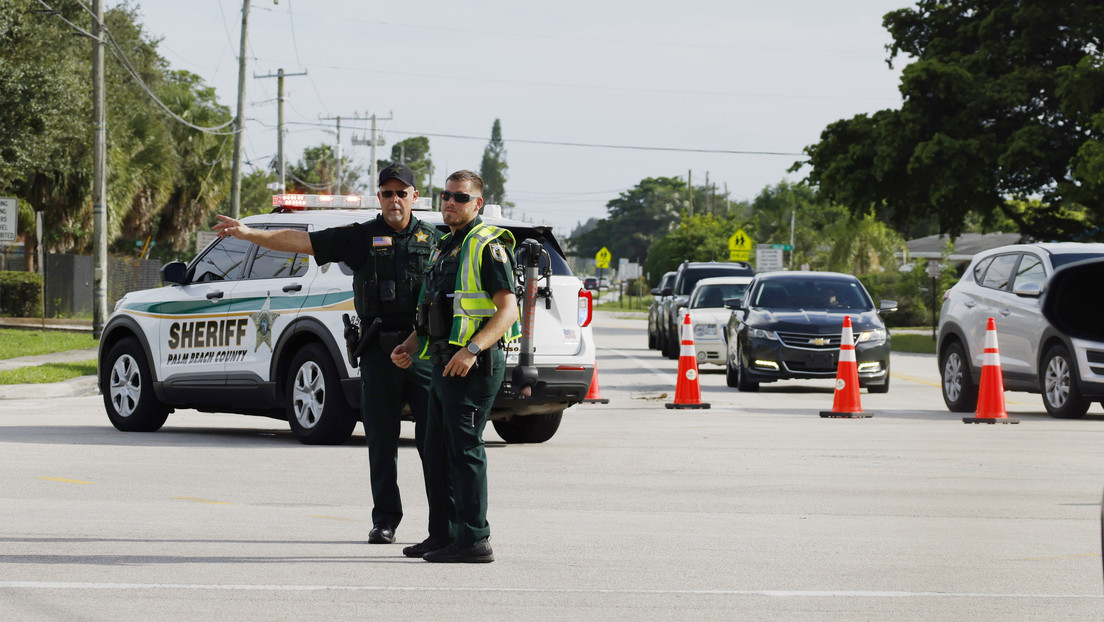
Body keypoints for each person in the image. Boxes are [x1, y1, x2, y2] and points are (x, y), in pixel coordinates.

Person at [212, 163, 442, 547]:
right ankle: (385, 520)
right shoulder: (361, 237)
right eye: (387, 193)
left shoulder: (435, 240)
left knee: (433, 442)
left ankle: (442, 526)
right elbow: (302, 242)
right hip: (377, 350)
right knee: (381, 442)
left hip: (420, 351)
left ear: (415, 197)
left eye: (402, 193)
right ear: (380, 198)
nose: (395, 200)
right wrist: (250, 233)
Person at [391, 169, 520, 563]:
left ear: (477, 203)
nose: (450, 202)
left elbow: (507, 310)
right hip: (442, 362)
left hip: (473, 366)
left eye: (460, 197)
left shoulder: (487, 244)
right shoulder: (445, 245)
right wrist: (410, 346)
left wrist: (473, 350)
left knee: (464, 451)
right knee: (435, 449)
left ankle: (474, 539)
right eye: (445, 195)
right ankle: (443, 534)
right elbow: (438, 310)